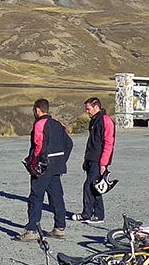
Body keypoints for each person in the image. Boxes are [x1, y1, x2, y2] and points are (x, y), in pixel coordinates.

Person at [17, 99, 72, 242]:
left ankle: (32, 230)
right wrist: (61, 159)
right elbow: (69, 143)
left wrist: (33, 164)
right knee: (56, 196)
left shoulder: (40, 124)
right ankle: (60, 227)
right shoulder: (58, 124)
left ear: (37, 110)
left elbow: (38, 146)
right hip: (56, 166)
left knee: (36, 197)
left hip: (43, 167)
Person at [73, 97, 115, 224]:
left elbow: (109, 143)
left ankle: (87, 214)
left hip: (99, 160)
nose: (87, 112)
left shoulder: (106, 121)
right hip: (91, 159)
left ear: (96, 107)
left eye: (88, 109)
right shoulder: (94, 121)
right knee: (96, 187)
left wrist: (103, 164)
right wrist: (86, 160)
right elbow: (91, 142)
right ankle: (98, 214)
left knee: (89, 186)